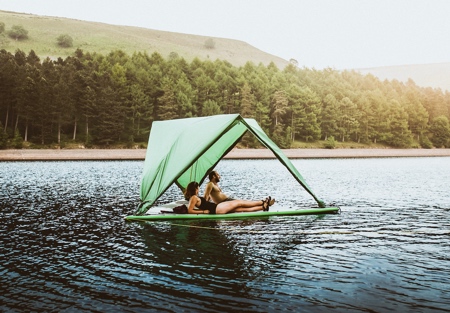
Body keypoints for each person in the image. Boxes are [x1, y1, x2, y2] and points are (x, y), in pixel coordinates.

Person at [185, 181, 275, 215]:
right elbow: (190, 210)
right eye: (198, 188)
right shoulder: (193, 197)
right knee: (239, 202)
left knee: (240, 209)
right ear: (195, 189)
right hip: (217, 209)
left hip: (217, 209)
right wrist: (203, 212)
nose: (198, 190)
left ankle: (263, 207)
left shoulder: (194, 197)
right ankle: (262, 201)